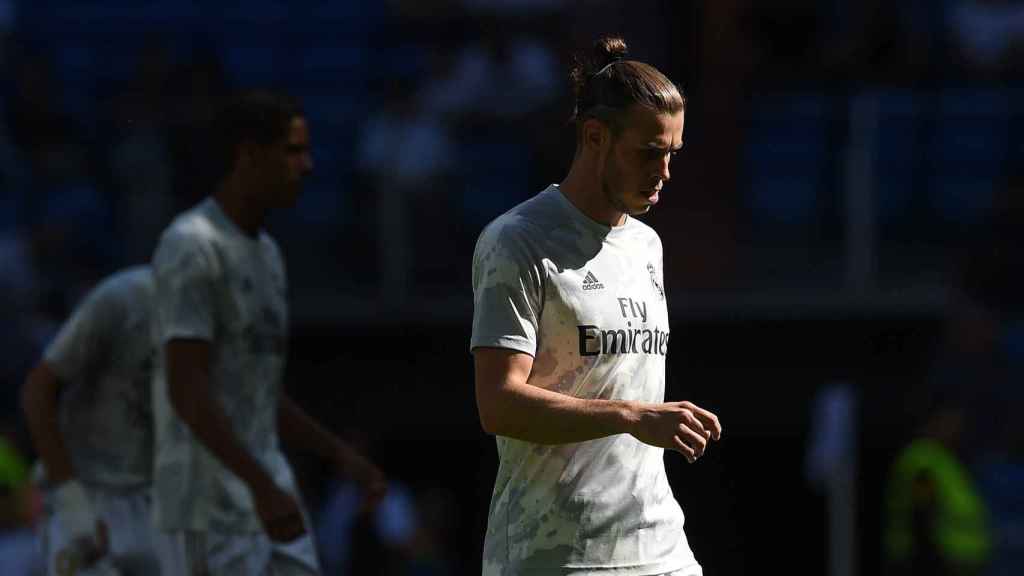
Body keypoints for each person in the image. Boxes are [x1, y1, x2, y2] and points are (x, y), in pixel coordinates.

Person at [469, 36, 723, 576]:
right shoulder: (518, 240)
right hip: (556, 557)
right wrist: (630, 417)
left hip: (659, 548)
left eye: (672, 154)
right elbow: (498, 403)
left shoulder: (647, 244)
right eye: (649, 153)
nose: (664, 172)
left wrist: (640, 419)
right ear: (594, 137)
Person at [149, 90, 386, 575]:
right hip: (204, 503)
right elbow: (186, 388)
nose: (308, 165)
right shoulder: (191, 244)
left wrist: (341, 455)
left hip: (266, 491)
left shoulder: (270, 255)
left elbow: (257, 389)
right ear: (248, 155)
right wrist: (261, 486)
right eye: (293, 151)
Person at [22, 265, 160, 575]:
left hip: (160, 496)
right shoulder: (123, 299)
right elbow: (37, 392)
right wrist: (72, 505)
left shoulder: (231, 318)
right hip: (90, 490)